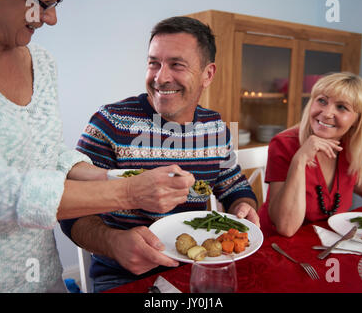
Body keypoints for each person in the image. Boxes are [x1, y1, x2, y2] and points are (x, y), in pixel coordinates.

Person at [0, 0, 193, 292]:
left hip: (44, 275)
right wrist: (130, 192)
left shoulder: (41, 62)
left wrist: (115, 176)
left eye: (56, 3)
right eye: (42, 1)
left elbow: (49, 152)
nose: (51, 18)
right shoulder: (110, 120)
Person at [60, 16, 260, 292]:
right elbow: (68, 209)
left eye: (176, 65)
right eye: (154, 62)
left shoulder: (216, 128)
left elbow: (233, 185)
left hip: (198, 266)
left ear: (208, 74)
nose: (160, 77)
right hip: (123, 274)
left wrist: (242, 205)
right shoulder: (110, 122)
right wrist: (112, 242)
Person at [259, 72, 362, 237]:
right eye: (322, 100)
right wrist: (300, 160)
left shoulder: (356, 145)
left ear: (357, 120)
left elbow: (352, 177)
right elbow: (286, 227)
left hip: (326, 238)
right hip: (276, 244)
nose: (327, 113)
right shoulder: (284, 144)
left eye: (341, 107)